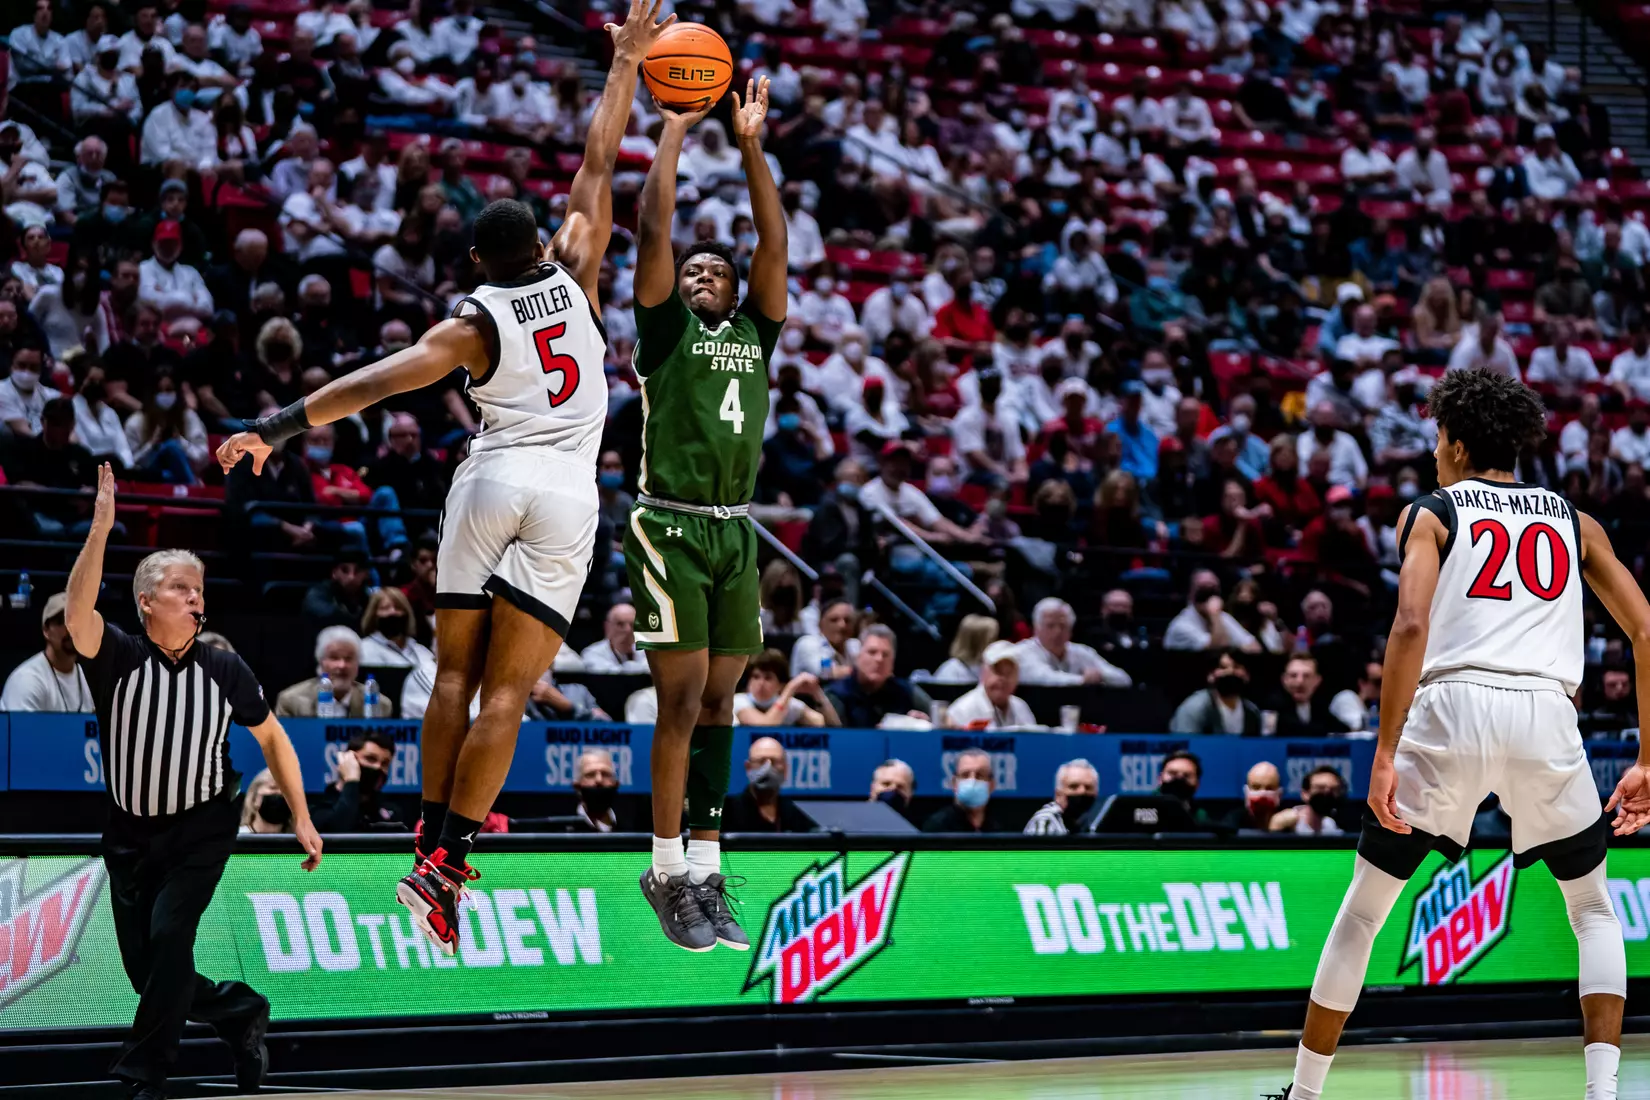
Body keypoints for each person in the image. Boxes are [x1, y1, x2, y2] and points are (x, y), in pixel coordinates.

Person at [216, 0, 673, 958]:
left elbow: (373, 384)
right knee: (508, 692)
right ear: (543, 248)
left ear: (477, 260)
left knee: (454, 672)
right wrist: (627, 62)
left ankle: (424, 831)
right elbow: (598, 159)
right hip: (569, 490)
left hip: (492, 475)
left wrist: (274, 425)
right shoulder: (579, 269)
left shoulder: (467, 326)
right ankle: (449, 859)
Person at [1284, 368, 1650, 1100]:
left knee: (1364, 909)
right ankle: (1604, 1093)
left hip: (1451, 705)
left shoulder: (1431, 512)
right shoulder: (1574, 521)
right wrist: (1648, 756)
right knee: (1592, 907)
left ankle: (1304, 1094)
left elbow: (1411, 624)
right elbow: (1645, 628)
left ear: (1451, 441)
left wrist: (1386, 750)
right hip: (1546, 711)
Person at [65, 467, 321, 1100]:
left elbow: (274, 740)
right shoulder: (117, 655)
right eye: (180, 588)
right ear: (147, 601)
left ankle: (145, 1076)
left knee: (172, 937)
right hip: (128, 833)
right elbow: (76, 612)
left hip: (201, 827)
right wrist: (101, 527)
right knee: (150, 969)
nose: (195, 598)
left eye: (199, 589)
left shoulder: (226, 668)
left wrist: (303, 815)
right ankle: (239, 1013)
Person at [626, 74, 788, 954]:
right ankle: (663, 866)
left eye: (713, 270)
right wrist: (676, 134)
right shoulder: (664, 336)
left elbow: (775, 242)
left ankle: (708, 865)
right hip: (670, 523)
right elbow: (653, 230)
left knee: (724, 705)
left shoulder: (757, 332)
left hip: (734, 526)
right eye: (691, 269)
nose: (700, 274)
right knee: (681, 702)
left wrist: (753, 143)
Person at [0, 591, 93, 712]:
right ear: (46, 631)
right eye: (62, 622)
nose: (71, 628)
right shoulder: (27, 680)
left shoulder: (90, 678)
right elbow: (24, 730)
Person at [827, 625, 934, 728]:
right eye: (872, 652)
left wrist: (922, 724)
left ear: (892, 662)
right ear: (858, 656)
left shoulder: (906, 691)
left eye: (885, 654)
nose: (879, 659)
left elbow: (941, 718)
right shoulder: (838, 694)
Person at [276, 625, 390, 717]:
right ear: (320, 662)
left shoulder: (380, 705)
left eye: (348, 658)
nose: (342, 665)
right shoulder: (291, 701)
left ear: (358, 664)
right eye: (334, 658)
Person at [1013, 598, 1131, 686]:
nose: (1057, 632)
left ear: (1071, 631)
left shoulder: (1082, 652)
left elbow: (1124, 679)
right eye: (1050, 626)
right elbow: (1043, 677)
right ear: (1036, 629)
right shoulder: (1022, 652)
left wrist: (1101, 675)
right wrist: (1082, 680)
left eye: (1063, 626)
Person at [310, 729, 404, 832]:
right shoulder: (318, 809)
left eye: (385, 763)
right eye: (370, 758)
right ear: (350, 760)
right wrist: (352, 780)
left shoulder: (391, 813)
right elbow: (340, 831)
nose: (378, 767)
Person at [719, 736, 817, 832]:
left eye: (775, 762)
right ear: (748, 768)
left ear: (786, 770)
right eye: (761, 762)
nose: (767, 769)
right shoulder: (727, 812)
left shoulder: (791, 813)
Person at [1169, 647, 1263, 735]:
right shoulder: (1195, 708)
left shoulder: (1252, 711)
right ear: (1210, 676)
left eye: (1236, 667)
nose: (1230, 672)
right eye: (1223, 668)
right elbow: (1184, 747)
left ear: (1247, 676)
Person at [733, 649, 838, 726]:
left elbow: (832, 726)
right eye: (755, 677)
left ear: (781, 685)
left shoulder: (791, 705)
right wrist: (790, 688)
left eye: (768, 678)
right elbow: (764, 726)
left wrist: (817, 693)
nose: (760, 683)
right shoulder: (739, 701)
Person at [945, 641, 1037, 729]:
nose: (1002, 679)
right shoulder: (962, 710)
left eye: (1008, 672)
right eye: (997, 671)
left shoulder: (1021, 708)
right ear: (983, 672)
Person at [921, 748, 1006, 833]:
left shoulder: (1000, 828)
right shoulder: (936, 827)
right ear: (954, 783)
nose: (972, 781)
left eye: (980, 775)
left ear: (992, 785)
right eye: (965, 775)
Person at [1273, 653, 1352, 737]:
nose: (1300, 681)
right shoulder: (1273, 707)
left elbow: (1343, 730)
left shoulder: (1320, 708)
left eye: (1306, 676)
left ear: (1317, 680)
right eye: (1293, 676)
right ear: (1284, 680)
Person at [1024, 758, 1100, 836]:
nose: (1082, 792)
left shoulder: (1088, 823)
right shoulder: (1045, 822)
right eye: (1073, 786)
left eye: (1088, 787)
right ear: (1058, 794)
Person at [1268, 765, 1346, 836]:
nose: (1327, 793)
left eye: (1333, 789)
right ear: (1305, 793)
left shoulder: (1331, 826)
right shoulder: (1287, 822)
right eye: (1320, 788)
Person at [579, 603, 648, 673]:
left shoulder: (647, 651)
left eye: (633, 624)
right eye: (620, 624)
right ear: (607, 627)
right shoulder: (592, 653)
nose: (628, 630)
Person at [930, 613, 999, 682]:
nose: (996, 644)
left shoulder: (991, 669)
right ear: (975, 643)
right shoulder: (951, 671)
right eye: (992, 640)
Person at [571, 749, 625, 832]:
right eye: (590, 774)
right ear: (577, 786)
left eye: (605, 774)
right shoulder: (563, 829)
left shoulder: (634, 827)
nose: (599, 780)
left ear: (616, 784)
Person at [1223, 761, 1285, 831]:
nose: (1262, 794)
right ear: (1246, 791)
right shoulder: (1234, 820)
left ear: (1279, 794)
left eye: (1269, 788)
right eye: (1256, 787)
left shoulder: (1288, 820)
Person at [1157, 750, 1214, 826]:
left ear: (1197, 784)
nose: (1179, 779)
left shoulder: (1202, 816)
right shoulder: (1144, 808)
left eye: (1187, 776)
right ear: (1160, 779)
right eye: (1173, 773)